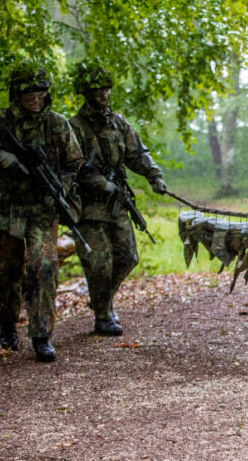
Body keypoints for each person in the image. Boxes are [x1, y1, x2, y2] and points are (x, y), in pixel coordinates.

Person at [0, 60, 84, 362]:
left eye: (40, 93)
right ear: (16, 94)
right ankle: (7, 326)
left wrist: (60, 187)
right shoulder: (0, 123)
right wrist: (3, 158)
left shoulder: (58, 124)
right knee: (5, 272)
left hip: (43, 210)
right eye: (28, 93)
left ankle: (41, 335)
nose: (35, 99)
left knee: (44, 268)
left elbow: (75, 163)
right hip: (6, 211)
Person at [69, 61, 167, 336]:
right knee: (99, 263)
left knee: (128, 258)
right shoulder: (73, 127)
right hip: (87, 208)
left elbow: (137, 153)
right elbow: (72, 167)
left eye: (106, 89)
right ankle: (103, 315)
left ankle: (101, 300)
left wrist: (154, 175)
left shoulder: (118, 122)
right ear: (85, 92)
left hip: (116, 205)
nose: (104, 94)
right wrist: (101, 184)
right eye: (97, 89)